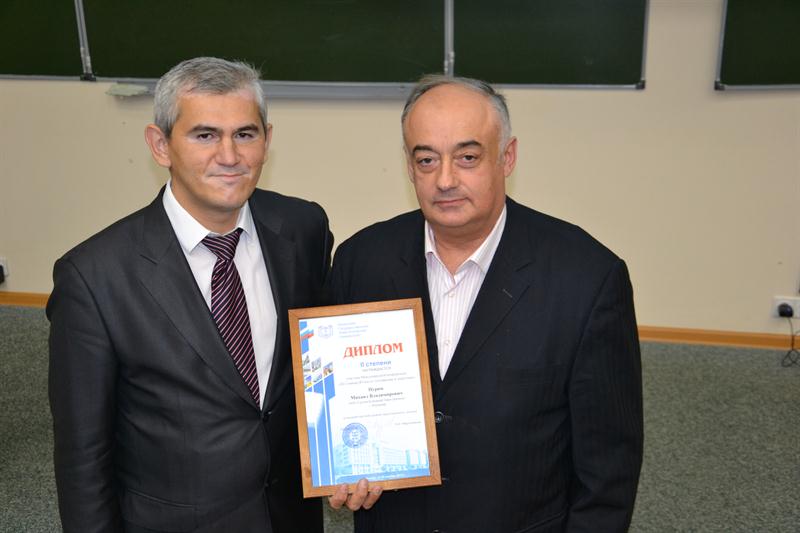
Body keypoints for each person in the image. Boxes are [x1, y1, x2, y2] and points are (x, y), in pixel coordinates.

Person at [328, 75, 643, 532]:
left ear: (507, 157)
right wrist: (341, 466)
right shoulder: (360, 260)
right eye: (426, 159)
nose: (445, 180)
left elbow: (608, 468)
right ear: (409, 166)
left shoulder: (587, 278)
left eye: (468, 157)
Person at [47, 57, 330, 533]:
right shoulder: (94, 278)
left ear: (267, 139)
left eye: (245, 134)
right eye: (205, 135)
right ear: (160, 145)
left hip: (289, 515)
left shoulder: (304, 229)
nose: (229, 155)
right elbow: (83, 458)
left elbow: (317, 366)